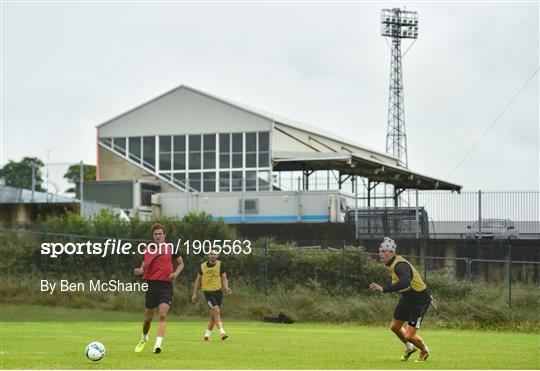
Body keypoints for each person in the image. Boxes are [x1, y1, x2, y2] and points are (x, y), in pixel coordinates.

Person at [369, 237, 437, 362]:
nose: (381, 254)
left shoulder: (400, 265)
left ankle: (424, 350)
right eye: (380, 251)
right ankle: (410, 348)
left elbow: (405, 282)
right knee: (395, 326)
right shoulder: (394, 264)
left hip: (418, 302)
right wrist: (428, 293)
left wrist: (384, 289)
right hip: (407, 298)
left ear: (392, 252)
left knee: (409, 335)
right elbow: (416, 277)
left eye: (384, 251)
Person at [133, 223, 184, 353]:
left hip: (166, 286)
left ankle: (158, 344)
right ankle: (144, 338)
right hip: (151, 286)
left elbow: (181, 264)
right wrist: (139, 271)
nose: (158, 236)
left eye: (160, 234)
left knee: (162, 315)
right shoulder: (148, 250)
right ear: (153, 236)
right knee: (148, 318)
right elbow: (143, 267)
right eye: (155, 234)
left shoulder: (171, 247)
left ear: (164, 235)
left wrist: (175, 274)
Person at [191, 250, 232, 341]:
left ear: (217, 256)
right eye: (211, 254)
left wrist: (226, 288)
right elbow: (198, 280)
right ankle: (222, 332)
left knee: (213, 315)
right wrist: (194, 293)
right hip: (208, 293)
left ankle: (207, 335)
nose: (213, 255)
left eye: (215, 254)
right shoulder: (202, 266)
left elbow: (224, 278)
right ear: (208, 255)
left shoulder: (220, 265)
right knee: (216, 311)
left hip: (218, 292)